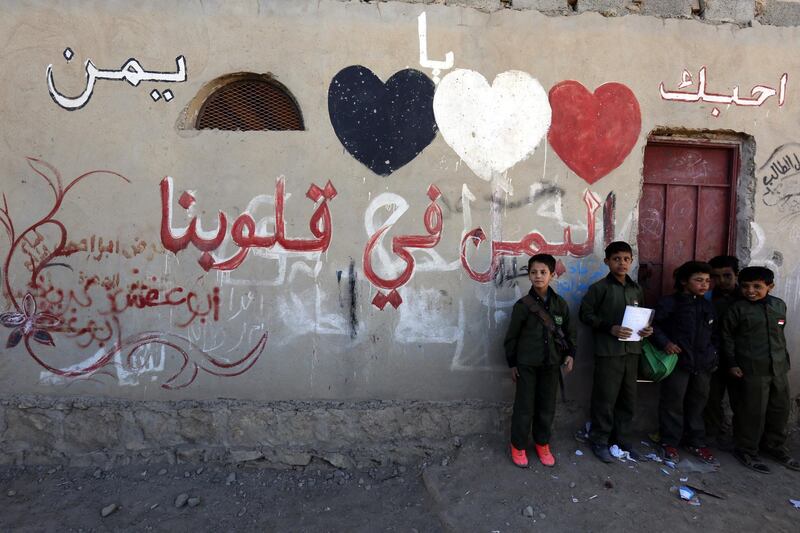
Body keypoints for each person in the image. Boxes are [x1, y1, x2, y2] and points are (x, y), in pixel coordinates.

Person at [721, 266, 800, 473]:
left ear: (770, 287)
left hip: (778, 368)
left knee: (779, 410)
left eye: (757, 286)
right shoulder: (737, 309)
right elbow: (726, 337)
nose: (751, 291)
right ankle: (746, 449)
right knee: (751, 412)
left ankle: (774, 446)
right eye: (746, 286)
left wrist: (782, 362)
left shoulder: (778, 306)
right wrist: (732, 363)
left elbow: (779, 334)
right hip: (751, 369)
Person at [580, 241, 653, 463]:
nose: (622, 263)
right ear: (607, 262)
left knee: (628, 399)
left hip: (632, 351)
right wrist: (608, 327)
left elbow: (642, 316)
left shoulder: (636, 289)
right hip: (609, 352)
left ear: (632, 261)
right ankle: (599, 440)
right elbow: (585, 314)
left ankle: (622, 441)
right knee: (605, 398)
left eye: (626, 259)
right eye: (616, 259)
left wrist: (648, 328)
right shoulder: (599, 288)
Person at [504, 254, 576, 468]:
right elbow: (511, 337)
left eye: (543, 272)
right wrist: (512, 363)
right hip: (527, 364)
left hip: (551, 365)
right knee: (524, 407)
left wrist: (570, 354)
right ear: (529, 275)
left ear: (552, 275)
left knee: (546, 407)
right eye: (533, 272)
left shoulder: (560, 304)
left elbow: (569, 333)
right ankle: (518, 445)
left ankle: (542, 443)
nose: (538, 276)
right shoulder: (523, 306)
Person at [651, 261, 718, 464]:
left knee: (698, 402)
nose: (704, 285)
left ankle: (696, 441)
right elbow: (653, 326)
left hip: (702, 364)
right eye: (698, 280)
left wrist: (713, 354)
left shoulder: (707, 306)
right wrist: (666, 343)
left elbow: (715, 334)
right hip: (677, 362)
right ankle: (669, 440)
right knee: (673, 402)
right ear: (683, 281)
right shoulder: (669, 303)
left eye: (707, 281)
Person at [703, 255, 740, 443]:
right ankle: (712, 434)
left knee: (741, 400)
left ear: (736, 275)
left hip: (740, 358)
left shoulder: (747, 298)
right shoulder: (706, 299)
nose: (722, 281)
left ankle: (742, 439)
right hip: (715, 356)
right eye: (716, 277)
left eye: (727, 275)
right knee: (712, 398)